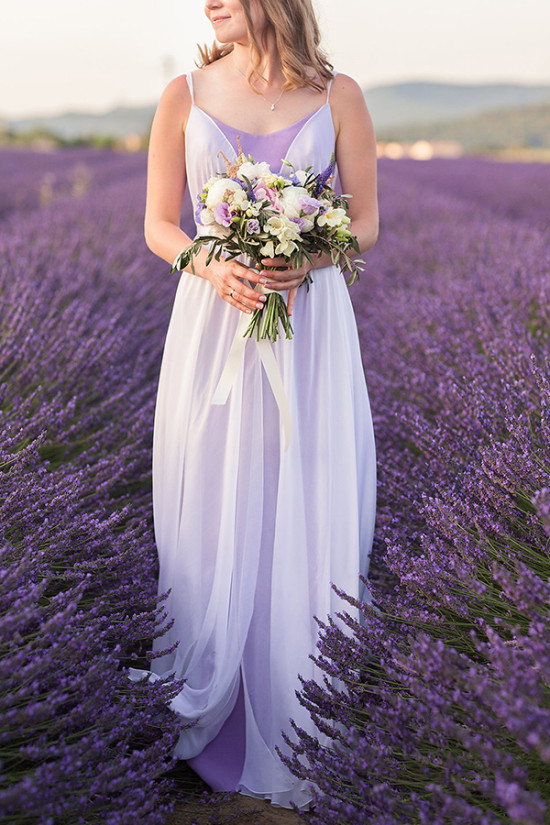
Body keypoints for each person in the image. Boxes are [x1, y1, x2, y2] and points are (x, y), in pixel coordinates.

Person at [130, 0, 378, 810]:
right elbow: (159, 226)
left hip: (310, 329)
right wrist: (210, 265)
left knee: (303, 490)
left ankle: (301, 703)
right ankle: (216, 696)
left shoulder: (339, 95)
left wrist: (308, 253)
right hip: (213, 325)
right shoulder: (184, 94)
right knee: (213, 492)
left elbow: (366, 224)